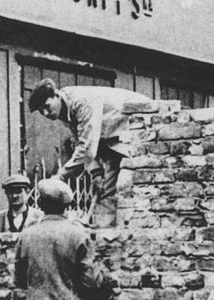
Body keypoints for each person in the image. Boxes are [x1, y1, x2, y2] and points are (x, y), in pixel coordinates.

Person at [27, 79, 151, 227]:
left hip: (141, 125)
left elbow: (87, 147)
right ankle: (105, 235)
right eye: (41, 111)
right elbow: (84, 140)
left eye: (47, 106)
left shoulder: (81, 101)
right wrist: (96, 173)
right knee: (104, 190)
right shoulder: (64, 111)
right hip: (114, 138)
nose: (46, 113)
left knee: (128, 185)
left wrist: (61, 175)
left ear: (57, 96)